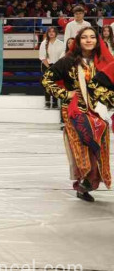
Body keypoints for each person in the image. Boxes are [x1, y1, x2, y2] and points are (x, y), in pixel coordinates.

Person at [42, 27, 114, 202]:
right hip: (73, 110)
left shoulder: (103, 62)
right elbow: (47, 79)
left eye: (92, 37)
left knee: (98, 141)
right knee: (81, 144)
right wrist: (66, 94)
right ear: (78, 41)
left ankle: (89, 182)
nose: (89, 40)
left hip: (96, 110)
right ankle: (83, 179)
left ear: (97, 41)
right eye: (84, 37)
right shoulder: (68, 61)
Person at [39, 27, 66, 109]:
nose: (51, 33)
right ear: (47, 33)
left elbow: (63, 56)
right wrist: (49, 67)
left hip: (57, 66)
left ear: (56, 33)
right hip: (46, 65)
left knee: (56, 84)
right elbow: (42, 56)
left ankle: (54, 102)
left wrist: (56, 67)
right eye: (49, 31)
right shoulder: (44, 43)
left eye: (53, 31)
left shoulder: (61, 43)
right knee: (47, 84)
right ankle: (47, 102)